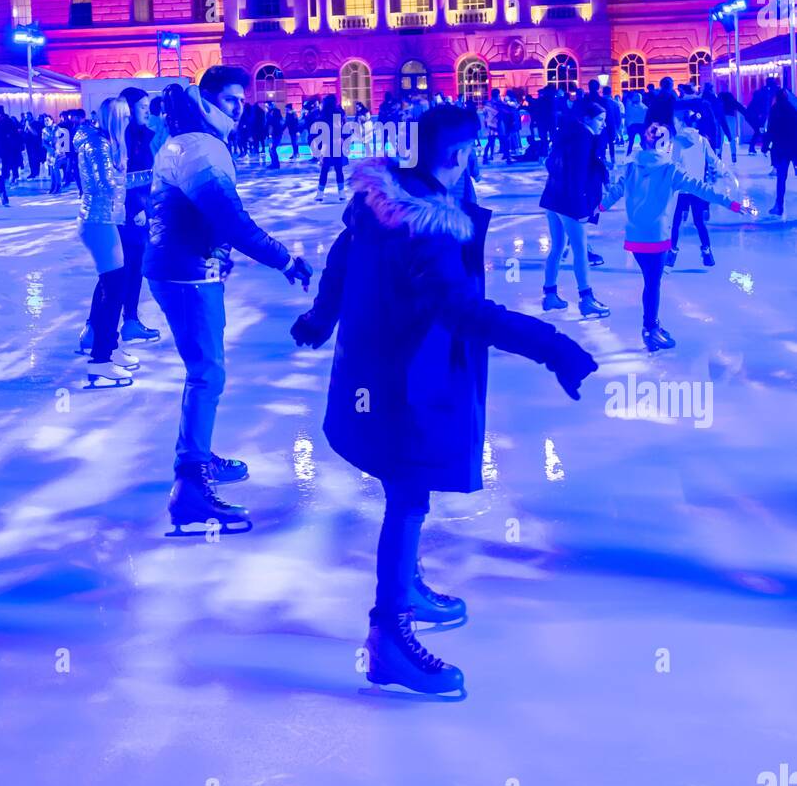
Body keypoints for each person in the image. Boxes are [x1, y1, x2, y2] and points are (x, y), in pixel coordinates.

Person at [291, 105, 598, 696]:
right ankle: (389, 639)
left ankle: (405, 586)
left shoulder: (382, 200)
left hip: (377, 370)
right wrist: (551, 345)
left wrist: (320, 318)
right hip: (405, 378)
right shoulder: (429, 225)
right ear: (458, 156)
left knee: (404, 489)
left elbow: (340, 260)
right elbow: (459, 310)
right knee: (408, 497)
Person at [144, 67, 313, 530]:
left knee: (204, 372)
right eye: (233, 100)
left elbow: (192, 214)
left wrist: (216, 250)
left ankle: (196, 456)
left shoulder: (187, 141)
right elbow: (231, 219)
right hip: (186, 274)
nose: (241, 108)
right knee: (207, 373)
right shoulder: (200, 148)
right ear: (209, 100)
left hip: (183, 268)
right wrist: (284, 260)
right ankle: (191, 484)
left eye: (242, 100)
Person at [602, 121, 748, 351]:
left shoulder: (631, 168)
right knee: (652, 284)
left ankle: (653, 325)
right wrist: (731, 203)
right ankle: (650, 328)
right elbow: (701, 188)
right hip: (656, 238)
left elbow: (614, 192)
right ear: (665, 144)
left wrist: (597, 208)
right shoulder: (670, 171)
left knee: (650, 282)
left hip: (634, 237)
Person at [74, 97, 138, 387]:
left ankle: (107, 347)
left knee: (111, 285)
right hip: (98, 222)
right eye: (125, 117)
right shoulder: (99, 144)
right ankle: (101, 360)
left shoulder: (103, 141)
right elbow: (105, 184)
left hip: (103, 220)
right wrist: (153, 176)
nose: (129, 122)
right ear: (116, 118)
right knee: (114, 288)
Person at [539, 96, 610, 317]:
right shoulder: (583, 138)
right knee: (580, 250)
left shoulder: (568, 134)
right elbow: (578, 176)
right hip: (569, 203)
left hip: (553, 198)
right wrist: (580, 209)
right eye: (600, 120)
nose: (603, 124)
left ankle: (550, 295)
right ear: (587, 119)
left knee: (558, 247)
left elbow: (550, 164)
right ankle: (586, 298)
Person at [668, 101, 733, 267]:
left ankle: (672, 252)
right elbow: (713, 160)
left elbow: (673, 163)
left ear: (682, 123)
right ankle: (707, 251)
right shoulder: (702, 140)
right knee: (699, 222)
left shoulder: (678, 141)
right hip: (697, 187)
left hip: (682, 188)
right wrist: (725, 172)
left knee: (675, 222)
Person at [118, 87, 160, 342]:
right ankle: (123, 321)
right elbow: (126, 178)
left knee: (131, 268)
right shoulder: (125, 138)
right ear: (129, 109)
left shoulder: (145, 136)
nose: (147, 111)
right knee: (126, 268)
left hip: (139, 211)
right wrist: (139, 208)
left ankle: (125, 320)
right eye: (142, 107)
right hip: (129, 214)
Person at [768, 87, 797, 217]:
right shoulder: (793, 108)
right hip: (794, 147)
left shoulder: (775, 109)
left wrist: (765, 146)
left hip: (781, 148)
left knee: (781, 178)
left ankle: (779, 205)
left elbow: (771, 129)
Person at [315, 93, 347, 200]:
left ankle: (320, 194)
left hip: (326, 144)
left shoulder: (322, 115)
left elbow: (319, 131)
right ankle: (341, 193)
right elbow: (340, 129)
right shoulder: (338, 113)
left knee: (324, 169)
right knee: (339, 169)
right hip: (336, 144)